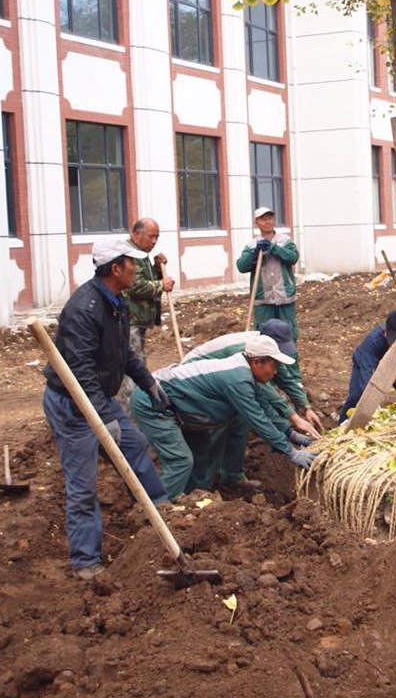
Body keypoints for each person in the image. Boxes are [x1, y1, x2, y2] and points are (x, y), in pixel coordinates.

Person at [42, 239, 172, 580]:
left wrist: (149, 383)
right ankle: (85, 561)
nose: (137, 269)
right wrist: (103, 418)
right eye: (132, 263)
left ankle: (161, 509)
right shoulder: (84, 309)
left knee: (134, 445)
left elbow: (124, 354)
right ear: (116, 268)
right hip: (73, 405)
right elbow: (79, 372)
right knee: (83, 486)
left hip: (97, 397)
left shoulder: (117, 301)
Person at [130, 334, 318, 498]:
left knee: (202, 452)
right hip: (153, 402)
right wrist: (291, 452)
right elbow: (258, 419)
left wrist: (290, 433)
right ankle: (157, 508)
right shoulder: (237, 379)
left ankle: (192, 498)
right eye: (273, 365)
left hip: (181, 408)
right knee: (180, 461)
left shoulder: (245, 372)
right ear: (257, 362)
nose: (275, 371)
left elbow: (264, 407)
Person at [183, 320, 323, 433]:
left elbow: (286, 380)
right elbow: (263, 388)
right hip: (194, 374)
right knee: (228, 416)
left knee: (244, 412)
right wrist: (294, 418)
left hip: (219, 377)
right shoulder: (250, 351)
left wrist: (306, 407)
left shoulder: (267, 351)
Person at [118, 218, 174, 407]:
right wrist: (161, 285)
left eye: (157, 237)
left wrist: (158, 270)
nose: (154, 241)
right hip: (129, 320)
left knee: (139, 362)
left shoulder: (141, 253)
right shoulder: (128, 254)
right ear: (136, 234)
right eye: (151, 236)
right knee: (132, 365)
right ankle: (130, 408)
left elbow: (145, 278)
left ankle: (139, 404)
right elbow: (135, 285)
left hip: (139, 320)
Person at [338, 310, 396, 424]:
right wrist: (372, 409)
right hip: (372, 368)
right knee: (357, 397)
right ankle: (342, 425)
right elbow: (367, 381)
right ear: (385, 333)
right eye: (395, 340)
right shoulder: (373, 343)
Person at [237, 207, 300, 341]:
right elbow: (241, 266)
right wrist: (254, 254)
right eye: (263, 219)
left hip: (284, 296)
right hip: (263, 298)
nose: (267, 222)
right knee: (263, 337)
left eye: (270, 218)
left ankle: (289, 361)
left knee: (288, 333)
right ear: (257, 223)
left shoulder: (285, 241)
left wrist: (274, 248)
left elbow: (293, 257)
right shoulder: (252, 244)